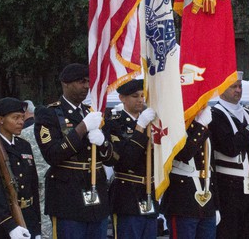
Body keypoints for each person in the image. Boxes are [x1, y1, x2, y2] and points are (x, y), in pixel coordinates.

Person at [35, 63, 114, 239]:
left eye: (88, 81)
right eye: (81, 81)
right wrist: (82, 128)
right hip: (68, 197)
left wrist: (102, 143)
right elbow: (53, 154)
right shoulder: (49, 114)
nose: (86, 86)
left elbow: (111, 159)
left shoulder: (93, 113)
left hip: (96, 195)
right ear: (65, 83)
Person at [208, 72, 249, 239]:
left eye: (240, 86)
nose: (238, 90)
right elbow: (231, 147)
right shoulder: (215, 114)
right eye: (233, 86)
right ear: (221, 89)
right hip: (228, 187)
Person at [0, 97, 40, 239]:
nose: (21, 122)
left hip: (27, 216)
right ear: (1, 119)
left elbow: (33, 186)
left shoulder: (24, 145)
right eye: (15, 117)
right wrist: (10, 225)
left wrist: (36, 227)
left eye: (22, 117)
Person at [107, 78, 158, 238]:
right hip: (127, 195)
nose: (141, 100)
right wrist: (140, 127)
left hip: (149, 194)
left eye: (143, 96)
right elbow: (126, 160)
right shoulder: (114, 123)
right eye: (135, 96)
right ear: (122, 98)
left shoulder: (153, 122)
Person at [161, 105, 218, 239]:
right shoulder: (173, 124)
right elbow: (185, 154)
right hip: (182, 202)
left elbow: (210, 166)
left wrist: (216, 206)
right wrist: (200, 126)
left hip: (206, 203)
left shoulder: (203, 126)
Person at [21, 107, 51, 239]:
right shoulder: (52, 132)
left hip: (32, 177)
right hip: (49, 176)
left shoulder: (24, 133)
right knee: (46, 210)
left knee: (36, 209)